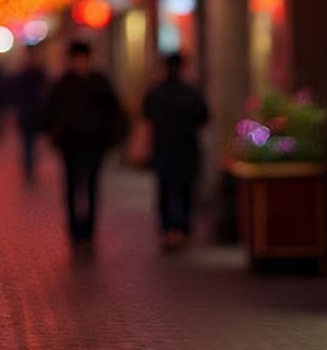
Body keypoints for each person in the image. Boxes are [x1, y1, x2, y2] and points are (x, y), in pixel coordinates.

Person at [44, 40, 127, 252]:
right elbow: (48, 111)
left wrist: (112, 138)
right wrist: (54, 135)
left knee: (91, 187)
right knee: (72, 188)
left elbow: (114, 111)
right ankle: (74, 231)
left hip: (94, 144)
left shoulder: (99, 83)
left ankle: (89, 231)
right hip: (70, 145)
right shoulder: (63, 84)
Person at [142, 51, 209, 251]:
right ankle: (181, 229)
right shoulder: (191, 92)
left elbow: (147, 118)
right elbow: (204, 117)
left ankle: (168, 229)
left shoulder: (156, 93)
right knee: (185, 190)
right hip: (186, 148)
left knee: (164, 190)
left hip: (163, 148)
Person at [12, 45, 49, 183]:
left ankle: (31, 168)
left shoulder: (40, 74)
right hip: (26, 115)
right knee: (27, 145)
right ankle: (29, 169)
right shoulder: (23, 74)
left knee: (33, 145)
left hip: (36, 116)